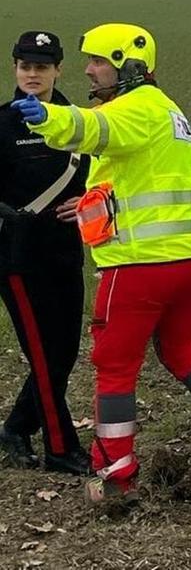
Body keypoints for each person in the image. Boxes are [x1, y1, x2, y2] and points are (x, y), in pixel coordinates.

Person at [10, 23, 191, 505]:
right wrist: (92, 202)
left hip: (138, 267)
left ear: (127, 66)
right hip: (190, 261)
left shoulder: (131, 109)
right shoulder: (169, 112)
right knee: (181, 351)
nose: (89, 69)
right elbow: (138, 178)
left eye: (97, 61)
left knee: (113, 366)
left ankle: (114, 475)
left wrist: (47, 117)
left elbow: (91, 129)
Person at [0, 31, 91, 475]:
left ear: (57, 69)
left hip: (66, 251)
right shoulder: (2, 125)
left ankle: (16, 427)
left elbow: (100, 178)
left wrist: (90, 201)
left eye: (41, 66)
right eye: (24, 66)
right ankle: (60, 447)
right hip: (17, 258)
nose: (32, 74)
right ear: (15, 68)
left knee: (65, 350)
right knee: (43, 353)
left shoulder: (79, 121)